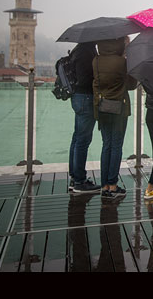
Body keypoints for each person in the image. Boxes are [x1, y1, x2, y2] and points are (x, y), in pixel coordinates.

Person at [93, 36, 137, 199]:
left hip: (102, 107)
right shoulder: (121, 62)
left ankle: (104, 184)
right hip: (119, 108)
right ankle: (113, 185)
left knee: (107, 145)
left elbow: (96, 84)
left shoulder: (96, 61)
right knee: (117, 145)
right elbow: (132, 85)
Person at [68, 42, 100, 193]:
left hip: (77, 97)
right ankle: (80, 181)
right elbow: (86, 78)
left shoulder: (78, 49)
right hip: (86, 97)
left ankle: (75, 177)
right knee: (83, 140)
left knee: (77, 138)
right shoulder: (86, 52)